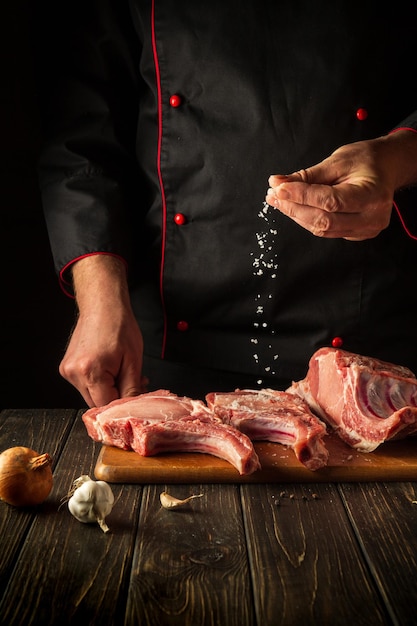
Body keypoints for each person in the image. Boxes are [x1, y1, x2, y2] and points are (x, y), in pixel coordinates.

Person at [35, 0, 417, 408]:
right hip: (175, 346)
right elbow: (80, 139)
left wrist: (398, 159)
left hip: (365, 351)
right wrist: (99, 300)